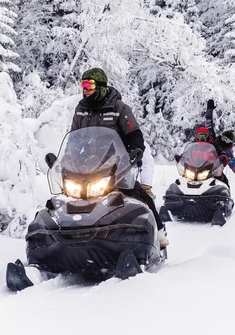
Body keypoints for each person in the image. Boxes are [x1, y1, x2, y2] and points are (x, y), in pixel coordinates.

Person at [71, 67, 168, 247]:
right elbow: (74, 138)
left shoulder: (119, 108)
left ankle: (159, 232)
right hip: (87, 167)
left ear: (100, 86)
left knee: (139, 195)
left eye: (89, 85)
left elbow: (135, 135)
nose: (85, 89)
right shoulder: (81, 109)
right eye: (83, 85)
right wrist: (69, 158)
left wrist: (136, 150)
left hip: (116, 166)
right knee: (69, 197)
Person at [203, 99, 235, 190]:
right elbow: (209, 127)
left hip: (214, 172)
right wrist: (209, 112)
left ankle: (223, 200)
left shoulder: (228, 154)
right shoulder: (213, 141)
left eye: (227, 140)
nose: (224, 141)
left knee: (225, 184)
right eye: (223, 138)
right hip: (201, 166)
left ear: (231, 144)